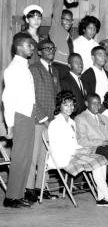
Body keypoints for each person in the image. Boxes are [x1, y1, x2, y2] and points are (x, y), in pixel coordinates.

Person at [48, 91, 108, 208]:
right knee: (97, 162)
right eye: (66, 105)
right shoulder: (55, 124)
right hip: (63, 157)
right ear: (60, 105)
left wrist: (81, 149)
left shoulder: (71, 122)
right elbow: (58, 147)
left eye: (71, 105)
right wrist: (77, 151)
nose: (69, 108)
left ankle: (101, 198)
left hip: (74, 153)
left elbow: (75, 143)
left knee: (102, 159)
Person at [2, 33, 37, 208]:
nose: (32, 48)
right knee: (19, 158)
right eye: (29, 45)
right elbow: (7, 99)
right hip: (20, 117)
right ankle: (10, 197)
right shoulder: (13, 69)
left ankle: (18, 194)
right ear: (19, 47)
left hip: (29, 116)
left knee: (26, 158)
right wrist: (10, 125)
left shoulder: (25, 67)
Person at [26, 39, 60, 202]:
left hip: (52, 121)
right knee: (33, 156)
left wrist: (56, 119)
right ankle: (29, 189)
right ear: (38, 52)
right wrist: (44, 119)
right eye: (46, 49)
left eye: (52, 48)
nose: (50, 51)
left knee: (45, 157)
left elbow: (57, 96)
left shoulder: (54, 70)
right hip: (37, 120)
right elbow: (31, 98)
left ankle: (40, 188)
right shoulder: (33, 69)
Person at [49, 8, 74, 78]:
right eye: (65, 19)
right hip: (56, 68)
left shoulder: (68, 37)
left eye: (70, 20)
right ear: (59, 20)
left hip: (66, 70)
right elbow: (56, 8)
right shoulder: (55, 31)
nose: (68, 22)